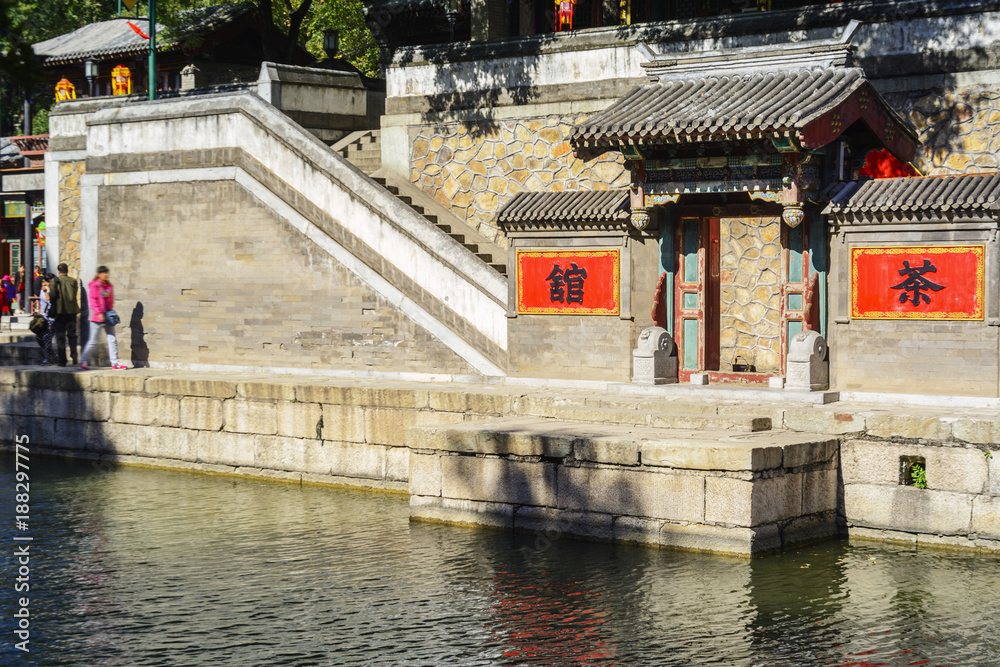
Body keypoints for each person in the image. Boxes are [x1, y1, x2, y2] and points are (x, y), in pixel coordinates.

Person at [81, 265, 127, 370]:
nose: (105, 275)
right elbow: (93, 301)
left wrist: (111, 312)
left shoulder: (108, 286)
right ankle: (83, 360)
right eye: (103, 273)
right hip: (97, 317)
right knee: (93, 341)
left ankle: (115, 363)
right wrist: (98, 312)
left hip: (108, 316)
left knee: (112, 339)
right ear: (99, 275)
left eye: (106, 273)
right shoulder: (94, 286)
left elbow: (109, 300)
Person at [50, 263, 80, 367]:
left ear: (58, 271)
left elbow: (52, 296)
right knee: (72, 335)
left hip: (60, 312)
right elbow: (75, 292)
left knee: (60, 337)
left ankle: (62, 360)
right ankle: (74, 354)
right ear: (67, 271)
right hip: (72, 311)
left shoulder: (55, 281)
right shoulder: (73, 281)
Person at [35, 275, 55, 365]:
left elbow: (49, 300)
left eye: (49, 281)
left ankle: (48, 359)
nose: (48, 283)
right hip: (43, 317)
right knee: (39, 337)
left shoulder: (53, 291)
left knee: (47, 338)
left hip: (51, 318)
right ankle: (50, 354)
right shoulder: (42, 291)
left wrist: (46, 291)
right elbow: (42, 303)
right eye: (46, 281)